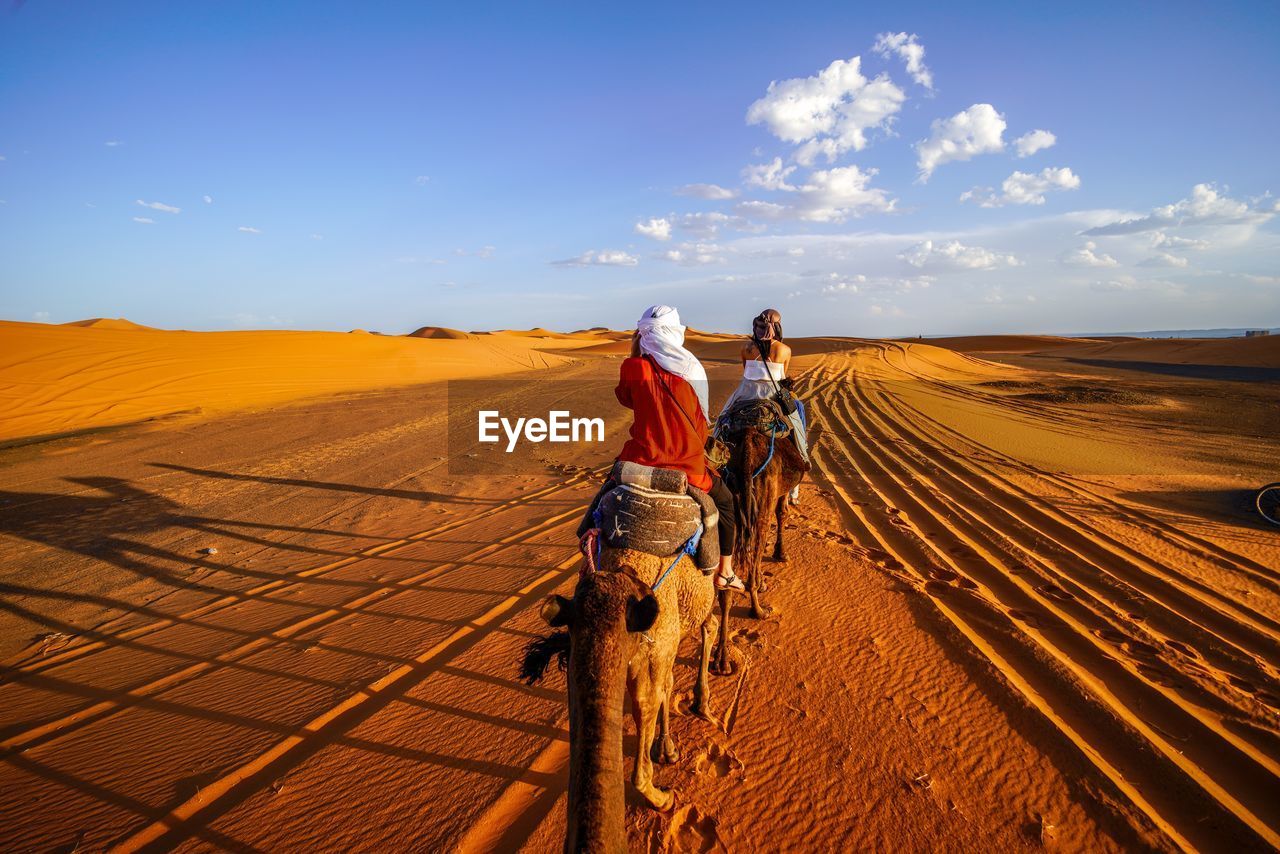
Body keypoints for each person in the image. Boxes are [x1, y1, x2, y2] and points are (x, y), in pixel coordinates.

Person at [611, 305, 744, 592]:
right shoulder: (691, 367)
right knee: (726, 503)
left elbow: (625, 399)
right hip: (689, 468)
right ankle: (726, 571)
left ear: (642, 334)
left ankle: (586, 542)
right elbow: (702, 419)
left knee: (604, 496)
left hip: (641, 463)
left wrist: (635, 355)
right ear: (676, 333)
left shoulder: (633, 367)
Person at [716, 308, 809, 503]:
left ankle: (712, 457)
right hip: (773, 395)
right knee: (797, 416)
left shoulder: (746, 348)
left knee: (721, 420)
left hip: (745, 393)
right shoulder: (784, 350)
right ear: (777, 327)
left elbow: (746, 373)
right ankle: (802, 457)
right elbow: (782, 375)